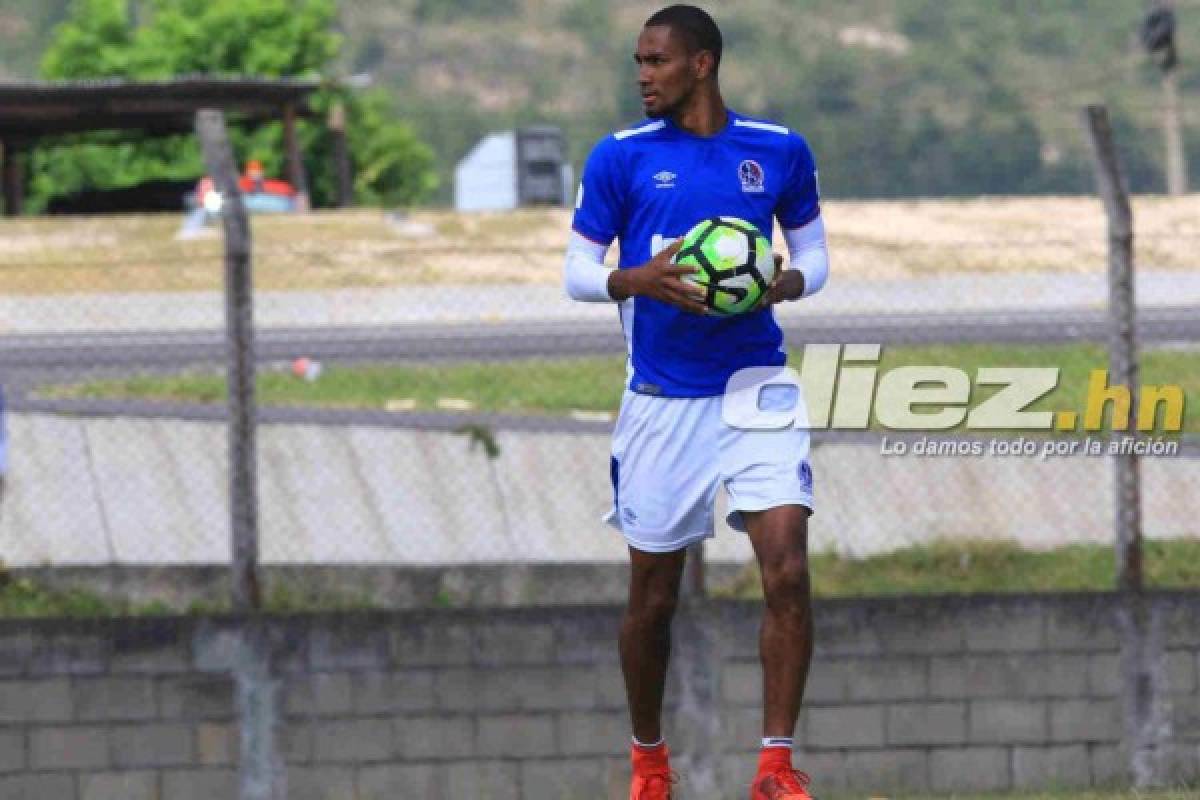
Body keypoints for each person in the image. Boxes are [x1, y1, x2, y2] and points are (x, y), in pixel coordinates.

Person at [563, 6, 830, 800]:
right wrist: (634, 278)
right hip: (662, 401)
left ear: (702, 64)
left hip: (757, 386)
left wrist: (781, 281)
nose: (643, 74)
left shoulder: (777, 149)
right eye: (638, 61)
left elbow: (814, 257)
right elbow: (577, 271)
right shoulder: (620, 157)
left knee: (786, 570)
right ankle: (650, 763)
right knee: (653, 602)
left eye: (656, 61)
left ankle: (776, 768)